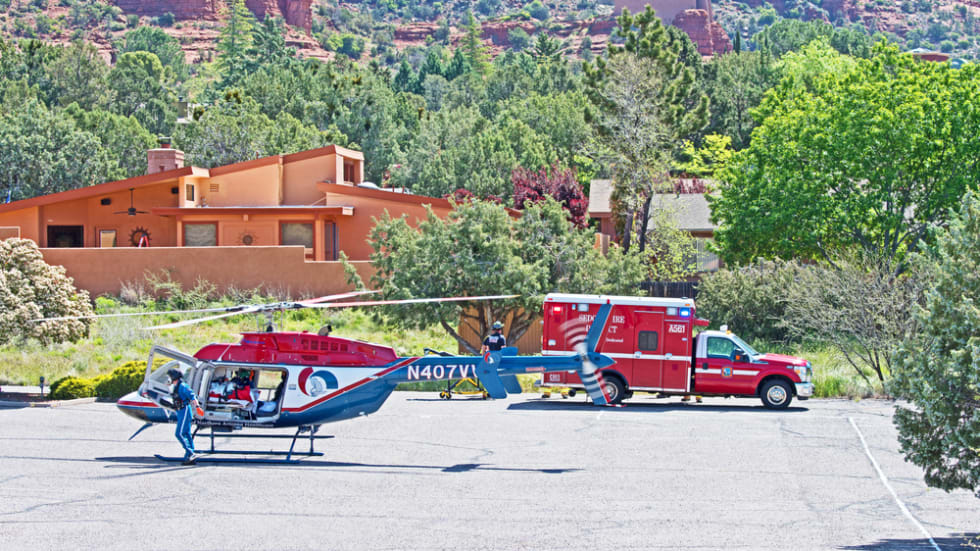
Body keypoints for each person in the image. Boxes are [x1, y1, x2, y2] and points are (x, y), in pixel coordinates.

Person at [168, 369, 201, 464]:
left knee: (179, 434)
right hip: (180, 411)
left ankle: (191, 453)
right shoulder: (176, 386)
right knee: (186, 433)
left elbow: (192, 396)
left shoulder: (183, 386)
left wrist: (197, 407)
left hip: (185, 410)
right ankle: (189, 456)